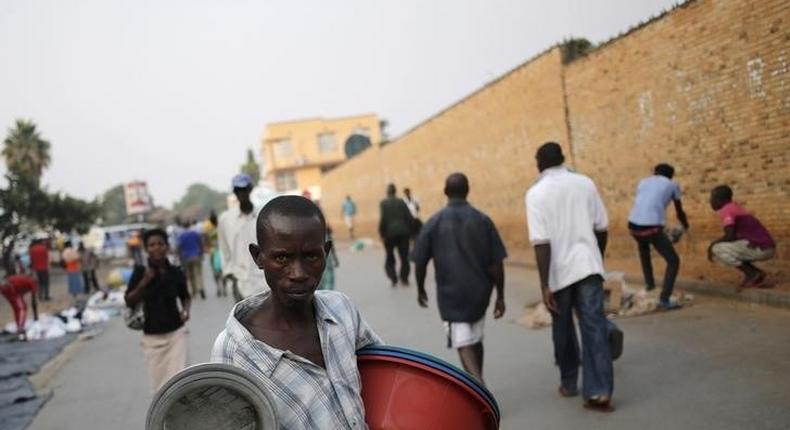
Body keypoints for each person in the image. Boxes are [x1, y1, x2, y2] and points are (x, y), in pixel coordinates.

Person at [211, 196, 382, 429]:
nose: (299, 273)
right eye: (282, 258)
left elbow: (384, 373)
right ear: (258, 257)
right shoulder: (234, 350)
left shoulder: (342, 310)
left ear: (326, 252)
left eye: (311, 256)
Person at [525, 142, 615, 412]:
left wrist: (545, 285)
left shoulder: (536, 194)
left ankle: (568, 382)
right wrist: (595, 256)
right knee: (594, 326)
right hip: (588, 266)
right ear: (563, 159)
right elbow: (602, 227)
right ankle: (599, 391)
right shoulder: (585, 183)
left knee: (562, 326)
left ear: (539, 163)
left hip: (558, 272)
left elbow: (541, 242)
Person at [412, 173, 506, 385]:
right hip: (481, 293)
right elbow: (496, 263)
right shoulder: (483, 220)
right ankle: (478, 385)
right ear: (468, 190)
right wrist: (500, 296)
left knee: (463, 342)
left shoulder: (434, 223)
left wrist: (420, 289)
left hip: (451, 296)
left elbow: (419, 261)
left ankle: (478, 385)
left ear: (446, 192)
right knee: (475, 337)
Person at [125, 228, 191, 393]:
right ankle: (165, 419)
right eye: (152, 245)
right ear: (146, 249)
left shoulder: (176, 272)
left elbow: (185, 296)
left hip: (176, 335)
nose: (156, 248)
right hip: (152, 339)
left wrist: (185, 310)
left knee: (180, 383)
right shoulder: (140, 272)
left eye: (160, 244)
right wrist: (145, 281)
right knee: (160, 388)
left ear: (167, 247)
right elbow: (129, 300)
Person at [627, 163, 689, 310]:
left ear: (655, 173)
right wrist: (685, 225)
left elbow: (645, 204)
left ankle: (650, 285)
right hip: (652, 228)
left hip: (632, 225)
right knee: (673, 261)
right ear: (671, 175)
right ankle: (664, 300)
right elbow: (679, 210)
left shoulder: (643, 182)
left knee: (644, 251)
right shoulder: (673, 184)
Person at [708, 185, 776, 291]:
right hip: (765, 247)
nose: (710, 201)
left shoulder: (726, 210)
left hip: (761, 248)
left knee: (717, 249)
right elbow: (734, 236)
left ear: (720, 199)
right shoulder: (734, 206)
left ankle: (752, 273)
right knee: (727, 249)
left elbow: (730, 236)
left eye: (712, 197)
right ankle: (756, 274)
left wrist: (712, 245)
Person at [218, 174, 265, 302]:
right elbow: (224, 249)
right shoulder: (226, 219)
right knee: (243, 321)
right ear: (234, 192)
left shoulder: (263, 215)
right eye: (238, 190)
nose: (242, 194)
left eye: (244, 189)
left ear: (250, 189)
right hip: (240, 281)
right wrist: (229, 274)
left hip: (265, 279)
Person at [378, 183, 414, 287]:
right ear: (395, 191)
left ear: (387, 192)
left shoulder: (383, 203)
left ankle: (393, 278)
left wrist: (382, 233)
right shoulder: (401, 202)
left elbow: (383, 219)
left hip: (389, 235)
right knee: (404, 257)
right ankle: (404, 278)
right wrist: (410, 231)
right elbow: (409, 217)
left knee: (390, 256)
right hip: (403, 233)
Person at [0, 274, 38, 341]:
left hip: (6, 288)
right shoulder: (32, 282)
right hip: (10, 289)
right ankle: (20, 328)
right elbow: (34, 301)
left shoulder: (24, 279)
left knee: (17, 309)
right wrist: (36, 317)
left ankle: (19, 326)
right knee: (22, 309)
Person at [177, 222, 206, 299]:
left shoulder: (181, 236)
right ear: (189, 225)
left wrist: (179, 257)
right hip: (196, 255)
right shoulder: (195, 233)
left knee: (190, 275)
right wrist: (201, 253)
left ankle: (194, 291)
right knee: (198, 274)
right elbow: (200, 243)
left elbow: (179, 247)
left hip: (186, 257)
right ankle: (201, 288)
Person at [318, 226, 339, 291]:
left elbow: (331, 246)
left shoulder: (316, 233)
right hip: (325, 264)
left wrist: (335, 259)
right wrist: (335, 259)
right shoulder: (324, 233)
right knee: (327, 287)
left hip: (324, 264)